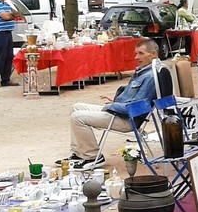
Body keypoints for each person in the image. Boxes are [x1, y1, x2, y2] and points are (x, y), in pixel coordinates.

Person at [60, 38, 159, 169]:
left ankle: (92, 156)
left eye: (141, 53)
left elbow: (136, 107)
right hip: (119, 112)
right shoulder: (145, 71)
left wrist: (111, 106)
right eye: (136, 53)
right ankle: (79, 153)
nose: (136, 57)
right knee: (76, 107)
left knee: (77, 118)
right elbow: (132, 97)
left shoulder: (150, 76)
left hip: (126, 119)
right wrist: (115, 101)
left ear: (153, 54)